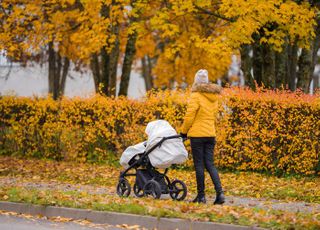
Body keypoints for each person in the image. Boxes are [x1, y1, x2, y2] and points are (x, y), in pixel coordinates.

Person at [180, 69, 225, 205]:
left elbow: (189, 116)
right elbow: (215, 115)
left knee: (199, 165)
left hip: (197, 135)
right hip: (210, 134)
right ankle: (220, 194)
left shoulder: (196, 95)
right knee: (210, 164)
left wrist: (183, 131)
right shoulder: (214, 96)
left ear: (196, 82)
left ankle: (201, 196)